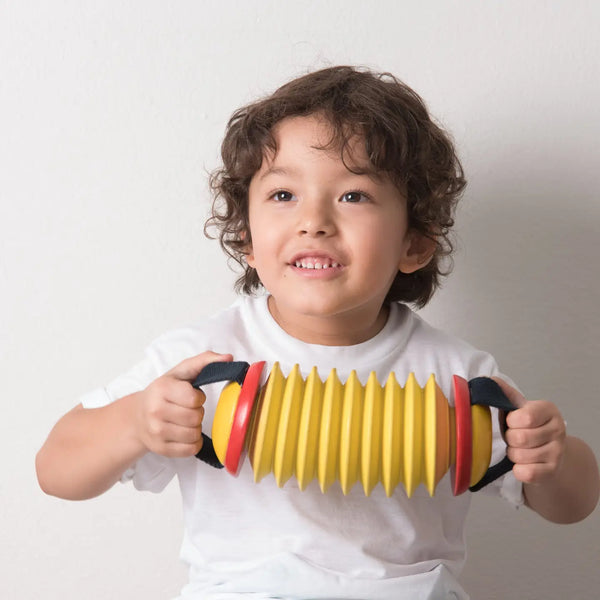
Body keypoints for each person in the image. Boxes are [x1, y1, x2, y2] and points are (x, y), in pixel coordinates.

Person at [36, 66, 599, 599]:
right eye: (283, 195)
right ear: (247, 240)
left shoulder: (460, 376)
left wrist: (550, 456)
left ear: (414, 243)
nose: (314, 220)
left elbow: (573, 503)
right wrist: (136, 421)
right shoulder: (201, 364)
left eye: (354, 195)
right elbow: (57, 469)